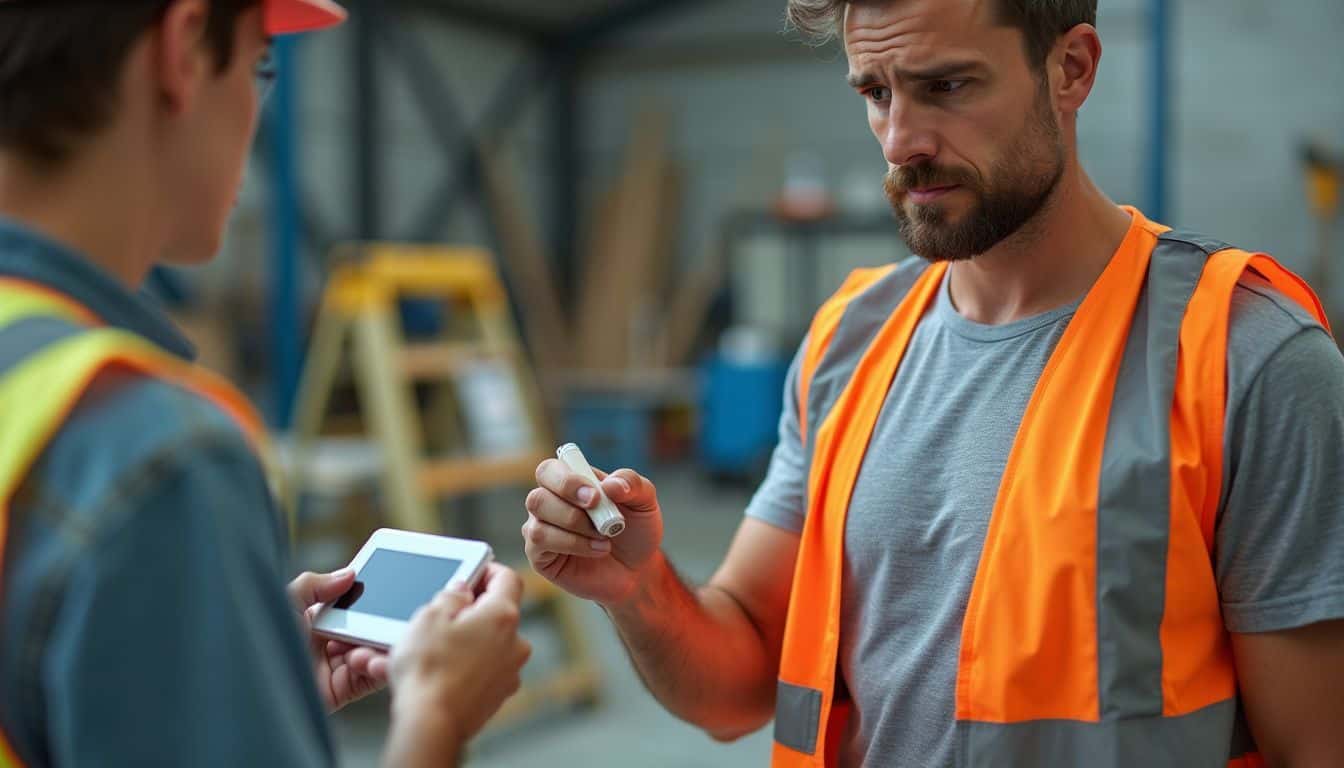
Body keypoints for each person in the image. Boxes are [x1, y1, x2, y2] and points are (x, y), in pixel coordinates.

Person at [521, 1, 1344, 766]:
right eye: (876, 91)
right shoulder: (847, 342)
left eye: (946, 86)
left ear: (1072, 69)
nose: (898, 139)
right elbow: (735, 690)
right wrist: (638, 589)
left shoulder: (1250, 360)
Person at [0, 1, 530, 766]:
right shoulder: (153, 455)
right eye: (260, 67)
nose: (254, 109)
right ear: (183, 50)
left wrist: (238, 687)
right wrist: (437, 716)